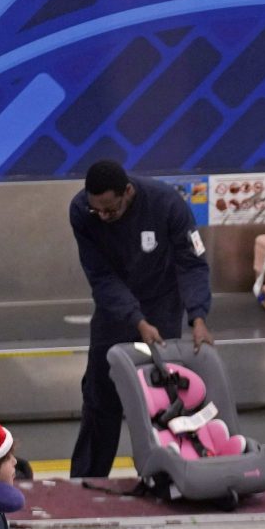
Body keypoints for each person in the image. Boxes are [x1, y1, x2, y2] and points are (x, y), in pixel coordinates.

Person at [68, 159, 214, 477]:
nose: (103, 217)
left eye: (110, 210)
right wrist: (136, 320)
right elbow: (101, 276)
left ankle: (163, 477)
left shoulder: (167, 204)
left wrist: (198, 317)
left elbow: (191, 263)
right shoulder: (81, 211)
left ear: (128, 192)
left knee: (162, 399)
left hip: (162, 305)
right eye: (97, 210)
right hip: (114, 309)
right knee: (99, 397)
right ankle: (86, 481)